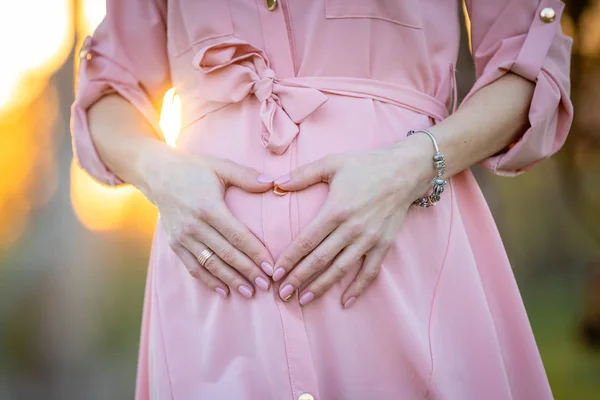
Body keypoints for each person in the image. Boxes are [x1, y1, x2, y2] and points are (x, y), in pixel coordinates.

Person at [70, 0, 573, 399]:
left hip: (404, 259)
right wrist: (164, 174)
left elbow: (528, 65)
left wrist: (413, 166)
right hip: (215, 294)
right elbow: (109, 89)